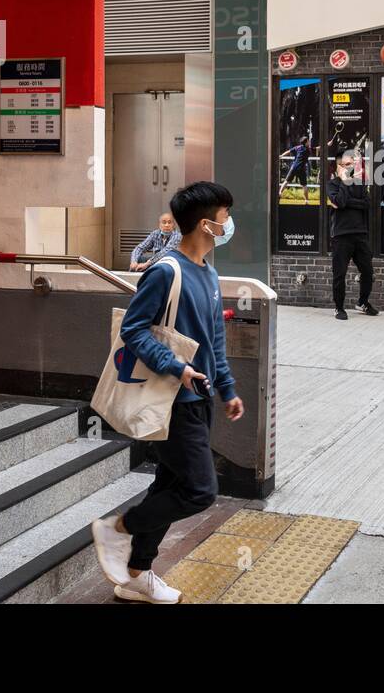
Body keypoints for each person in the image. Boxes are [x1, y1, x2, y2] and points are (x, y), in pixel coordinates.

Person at [91, 181, 245, 603]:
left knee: (168, 484)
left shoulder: (208, 272)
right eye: (225, 216)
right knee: (199, 490)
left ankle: (137, 574)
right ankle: (117, 528)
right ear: (205, 224)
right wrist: (176, 367)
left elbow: (214, 340)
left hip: (201, 399)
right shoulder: (166, 270)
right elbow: (133, 330)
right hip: (172, 401)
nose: (229, 223)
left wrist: (227, 388)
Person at [328, 149, 378, 320]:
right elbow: (339, 201)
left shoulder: (359, 183)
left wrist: (347, 203)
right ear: (340, 166)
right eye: (348, 164)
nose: (352, 167)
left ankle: (362, 302)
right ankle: (339, 308)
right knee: (339, 274)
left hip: (360, 234)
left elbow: (366, 204)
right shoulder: (332, 185)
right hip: (341, 235)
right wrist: (343, 181)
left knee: (368, 271)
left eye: (352, 164)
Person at [278, 135, 311, 200]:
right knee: (304, 186)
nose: (309, 142)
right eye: (308, 141)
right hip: (301, 169)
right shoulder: (308, 150)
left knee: (286, 181)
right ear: (306, 142)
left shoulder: (297, 147)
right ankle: (306, 201)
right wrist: (327, 144)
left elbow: (288, 151)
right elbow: (318, 148)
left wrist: (281, 155)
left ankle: (279, 193)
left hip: (294, 167)